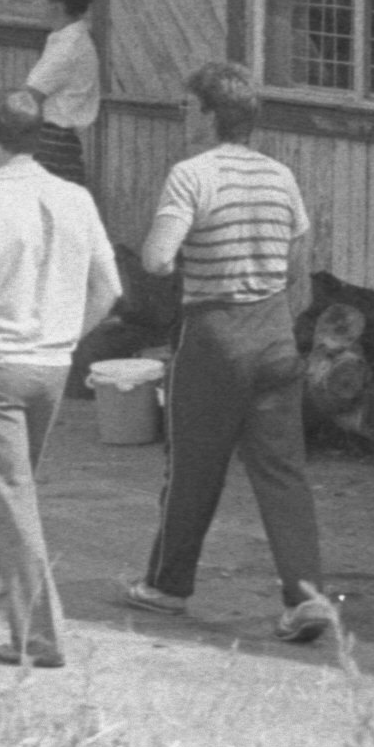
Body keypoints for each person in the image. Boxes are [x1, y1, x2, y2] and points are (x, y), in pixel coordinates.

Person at [119, 60, 339, 645]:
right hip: (274, 335)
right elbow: (295, 265)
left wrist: (178, 246)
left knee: (193, 467)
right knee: (283, 473)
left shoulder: (191, 176)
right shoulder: (280, 176)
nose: (184, 115)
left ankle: (167, 585)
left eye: (190, 106)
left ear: (211, 114)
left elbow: (158, 259)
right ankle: (306, 598)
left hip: (213, 334)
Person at [0, 91, 121, 670]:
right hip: (51, 370)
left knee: (11, 500)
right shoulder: (76, 198)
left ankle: (40, 639)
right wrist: (64, 339)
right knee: (4, 492)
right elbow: (110, 291)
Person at [17, 0, 101, 187]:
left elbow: (27, 99)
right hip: (54, 142)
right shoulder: (66, 39)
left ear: (58, 5)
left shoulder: (69, 47)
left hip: (53, 145)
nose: (35, 5)